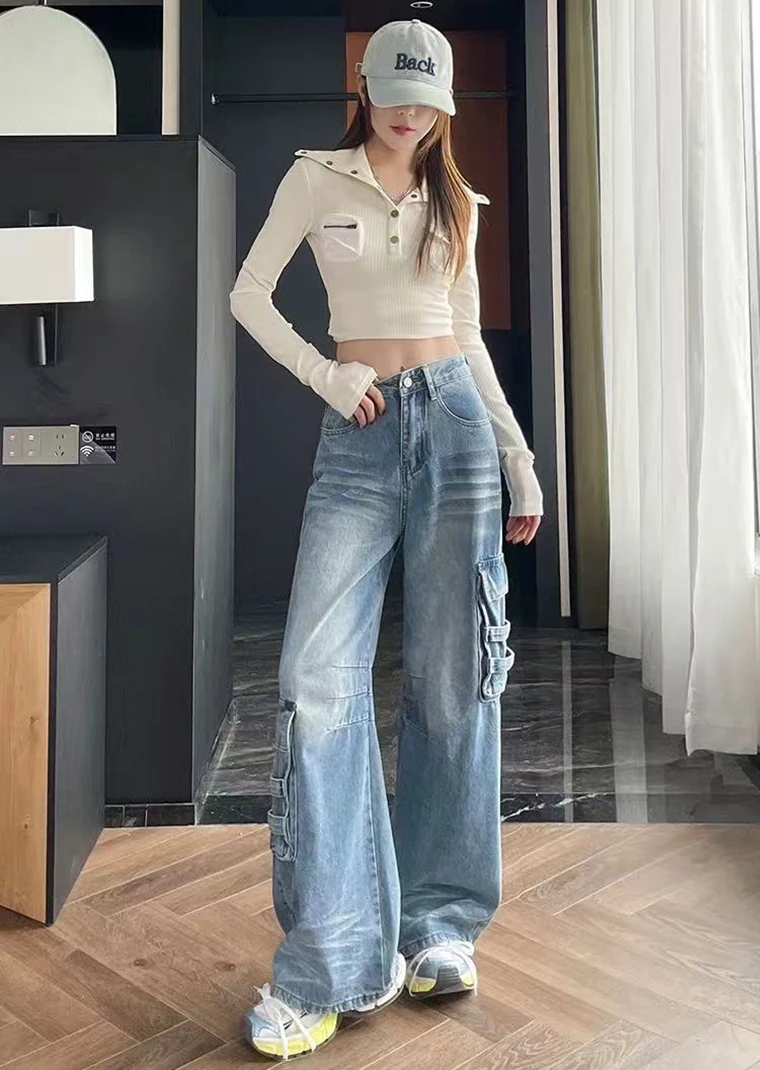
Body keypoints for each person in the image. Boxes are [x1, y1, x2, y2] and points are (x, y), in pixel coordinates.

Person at [229, 17, 544, 1061]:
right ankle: (328, 960)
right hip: (358, 436)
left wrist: (518, 458)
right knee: (315, 681)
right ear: (364, 89)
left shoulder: (458, 200)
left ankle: (440, 925)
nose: (411, 114)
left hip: (455, 427)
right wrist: (328, 375)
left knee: (453, 681)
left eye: (428, 99)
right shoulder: (314, 178)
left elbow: (467, 337)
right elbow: (247, 294)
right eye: (395, 93)